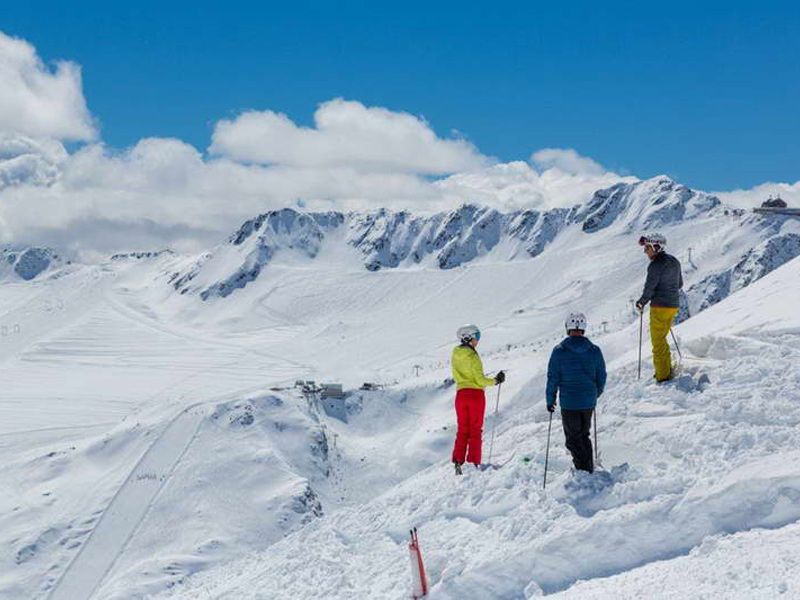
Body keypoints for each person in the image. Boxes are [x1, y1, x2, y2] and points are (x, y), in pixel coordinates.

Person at [545, 313, 606, 473]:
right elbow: (601, 376)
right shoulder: (594, 351)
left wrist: (550, 400)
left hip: (569, 402)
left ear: (568, 328)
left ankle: (583, 470)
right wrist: (594, 394)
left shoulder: (559, 351)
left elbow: (553, 378)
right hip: (588, 402)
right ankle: (587, 468)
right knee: (584, 435)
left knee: (572, 439)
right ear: (583, 329)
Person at [451, 324, 505, 475]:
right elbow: (480, 380)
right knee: (475, 430)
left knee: (462, 429)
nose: (478, 340)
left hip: (461, 395)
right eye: (477, 336)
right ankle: (473, 463)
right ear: (468, 337)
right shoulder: (473, 356)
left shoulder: (455, 354)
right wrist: (496, 381)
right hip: (475, 395)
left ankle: (458, 462)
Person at [635, 233, 683, 382]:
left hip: (660, 306)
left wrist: (641, 302)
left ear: (656, 247)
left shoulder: (655, 265)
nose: (645, 251)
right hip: (673, 305)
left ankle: (662, 376)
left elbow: (650, 288)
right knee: (661, 339)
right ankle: (666, 368)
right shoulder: (674, 261)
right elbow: (679, 284)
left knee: (658, 342)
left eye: (647, 248)